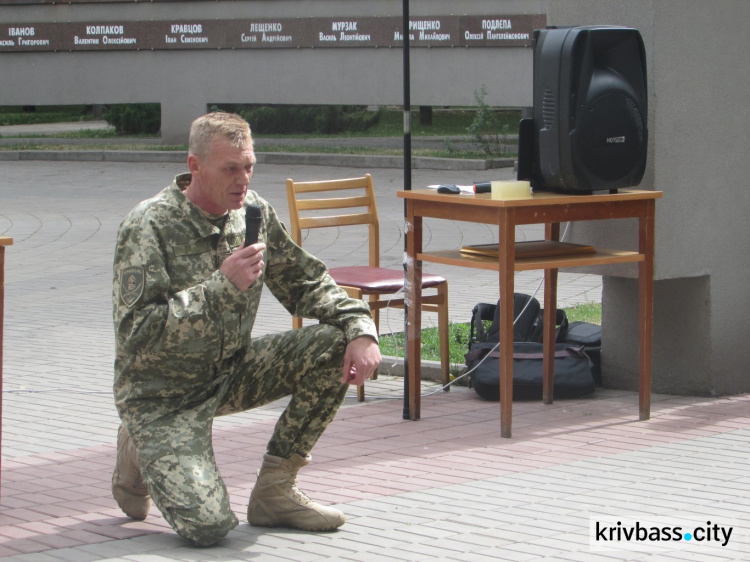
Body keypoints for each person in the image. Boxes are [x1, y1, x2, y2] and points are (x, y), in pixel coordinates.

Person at [111, 112, 381, 547]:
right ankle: (137, 444)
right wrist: (220, 287)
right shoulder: (149, 226)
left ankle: (275, 492)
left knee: (335, 343)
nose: (243, 179)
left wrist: (360, 327)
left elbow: (306, 282)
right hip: (161, 396)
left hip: (228, 374)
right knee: (209, 528)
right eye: (230, 169)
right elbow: (136, 333)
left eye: (249, 165)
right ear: (194, 165)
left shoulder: (253, 215)